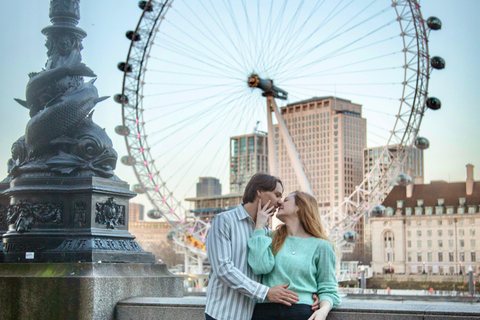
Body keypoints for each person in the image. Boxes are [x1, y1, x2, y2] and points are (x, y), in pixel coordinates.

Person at [205, 173, 318, 320]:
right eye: (277, 195)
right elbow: (223, 269)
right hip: (222, 314)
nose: (279, 202)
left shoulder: (266, 233)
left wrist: (314, 295)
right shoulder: (225, 221)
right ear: (259, 192)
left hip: (251, 314)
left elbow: (285, 268)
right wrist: (265, 292)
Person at [248, 191, 341, 320]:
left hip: (301, 312)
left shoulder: (322, 246)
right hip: (265, 311)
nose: (280, 202)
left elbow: (328, 289)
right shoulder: (270, 237)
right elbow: (259, 267)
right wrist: (259, 225)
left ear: (299, 207)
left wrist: (323, 311)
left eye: (285, 200)